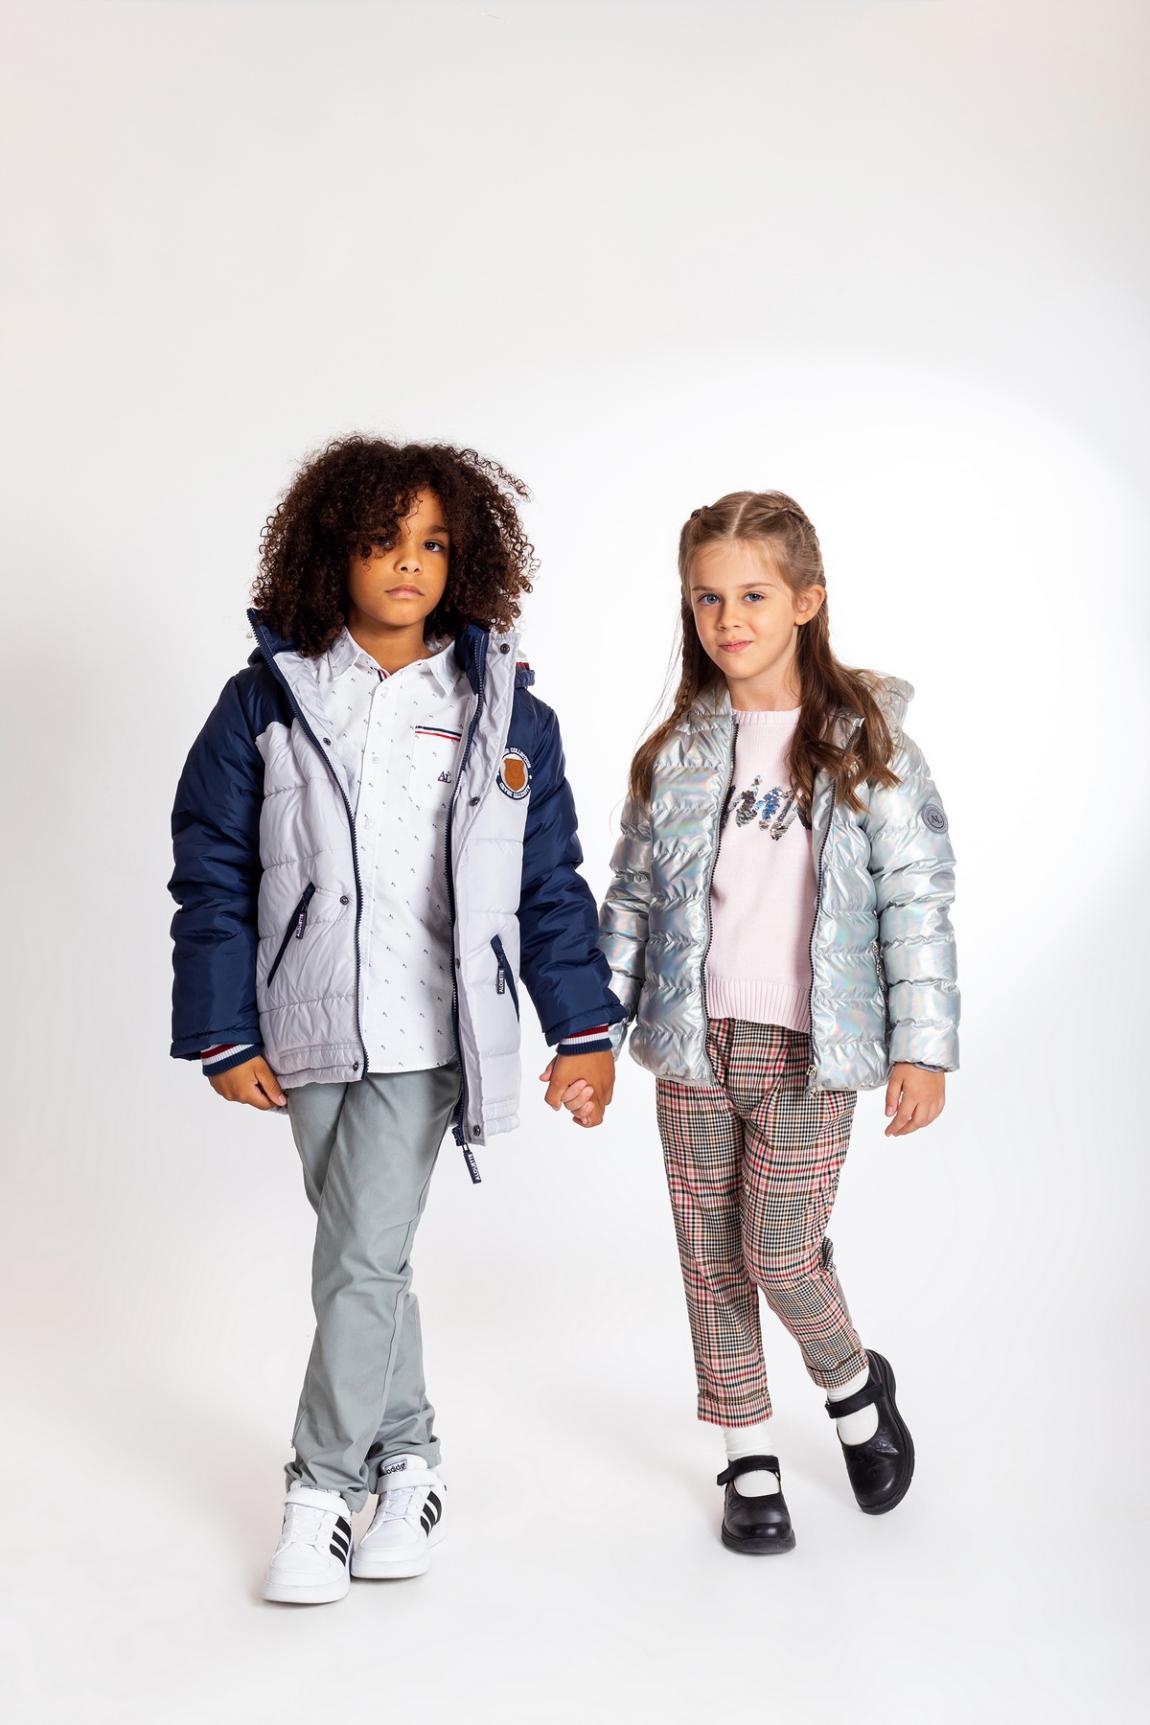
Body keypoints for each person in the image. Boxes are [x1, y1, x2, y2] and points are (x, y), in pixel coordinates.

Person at [168, 436, 622, 1603]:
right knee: (363, 1261)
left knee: (361, 1258)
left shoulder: (500, 711)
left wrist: (581, 1030)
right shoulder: (267, 700)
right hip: (306, 1023)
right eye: (383, 541)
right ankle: (412, 1459)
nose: (409, 563)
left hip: (430, 1029)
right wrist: (223, 1030)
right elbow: (212, 871)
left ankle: (320, 1492)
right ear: (333, 553)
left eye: (432, 543)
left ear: (465, 559)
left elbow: (546, 884)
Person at [592, 490, 959, 1554]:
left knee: (779, 1250)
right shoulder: (676, 752)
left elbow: (916, 899)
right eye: (707, 599)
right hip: (693, 1042)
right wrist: (592, 1039)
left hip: (810, 1050)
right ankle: (747, 1453)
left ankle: (851, 1386)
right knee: (710, 1256)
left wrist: (922, 1047)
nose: (728, 619)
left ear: (806, 600)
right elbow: (633, 899)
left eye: (753, 595)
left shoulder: (867, 744)